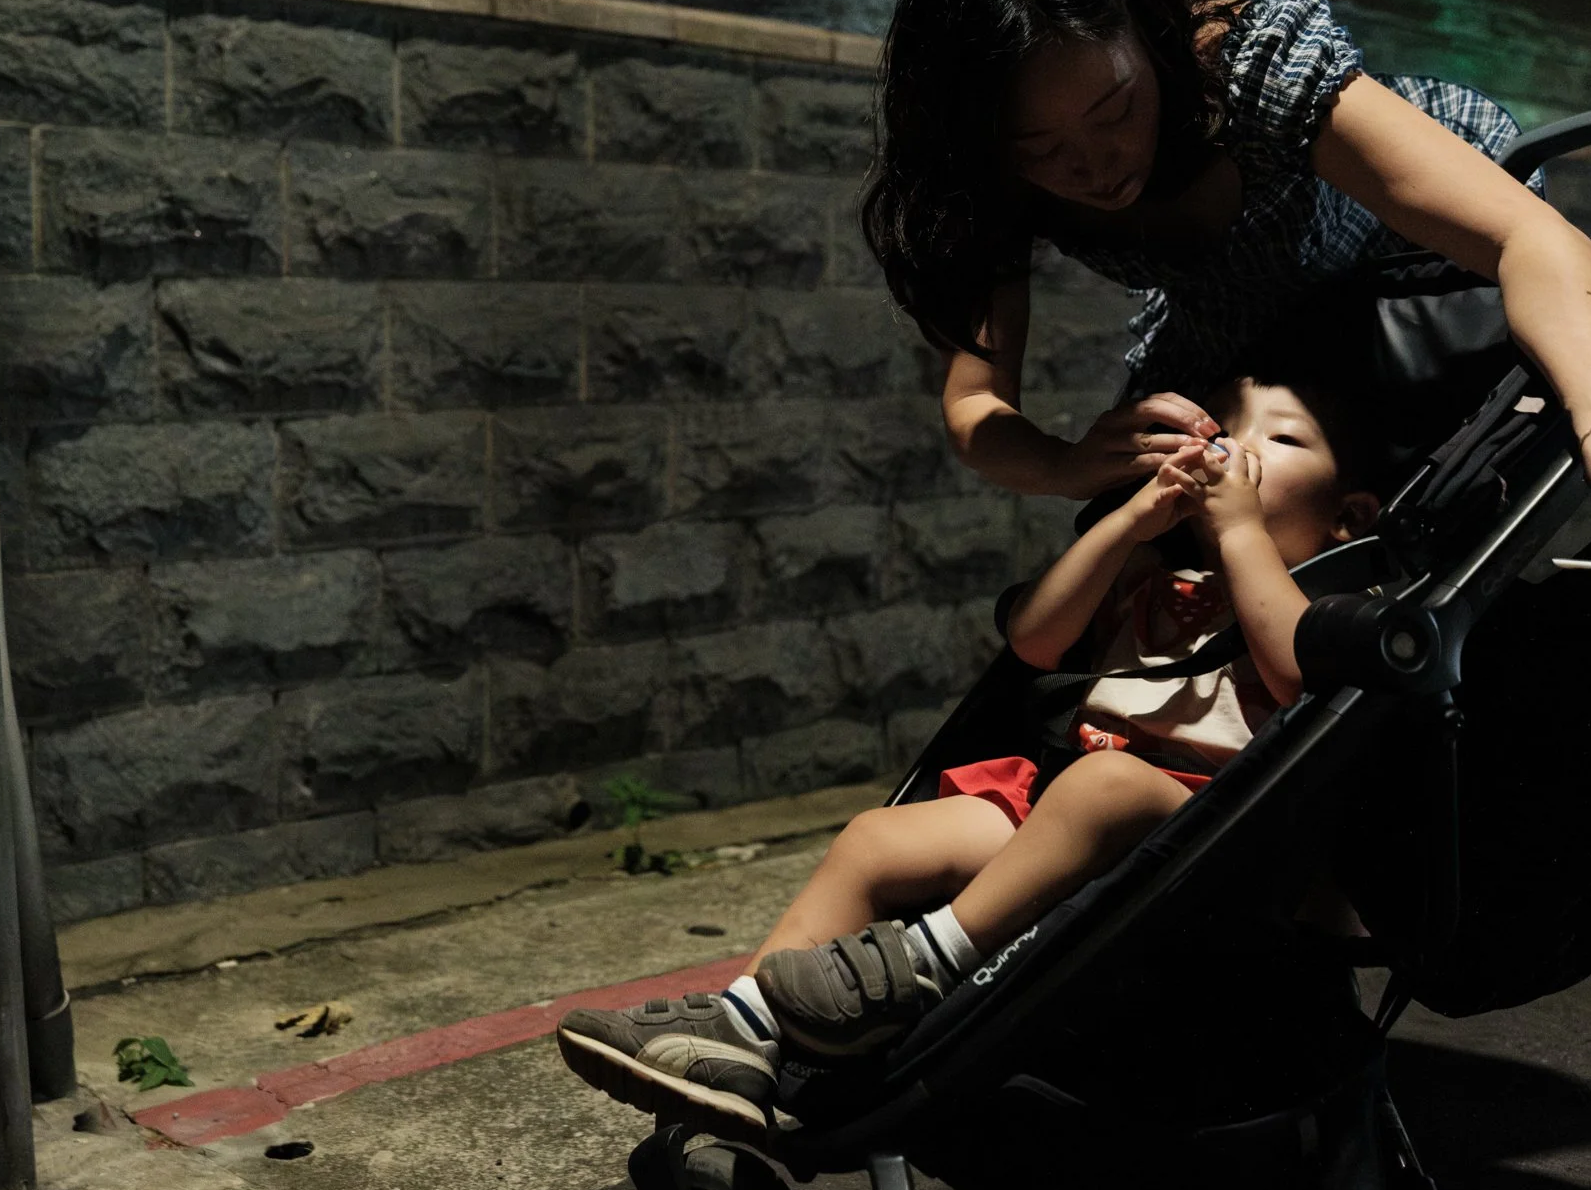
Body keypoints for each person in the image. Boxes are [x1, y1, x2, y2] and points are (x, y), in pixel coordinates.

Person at [555, 360, 1384, 1136]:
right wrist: (1131, 523)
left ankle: (919, 965)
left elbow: (1290, 672)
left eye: (1280, 438)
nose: (1236, 450)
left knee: (1106, 786)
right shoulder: (1154, 582)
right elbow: (1033, 638)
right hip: (1070, 810)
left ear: (1351, 512)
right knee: (878, 839)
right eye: (1227, 429)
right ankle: (747, 1030)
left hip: (1221, 834)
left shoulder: (1339, 600)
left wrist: (1240, 531)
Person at [863, 0, 1591, 625]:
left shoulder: (1249, 70)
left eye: (1116, 109)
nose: (1092, 165)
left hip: (1406, 250)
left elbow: (1529, 239)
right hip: (1242, 308)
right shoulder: (983, 176)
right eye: (1043, 150)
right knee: (1147, 530)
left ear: (1153, 39)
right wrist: (1059, 463)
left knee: (1430, 509)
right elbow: (976, 406)